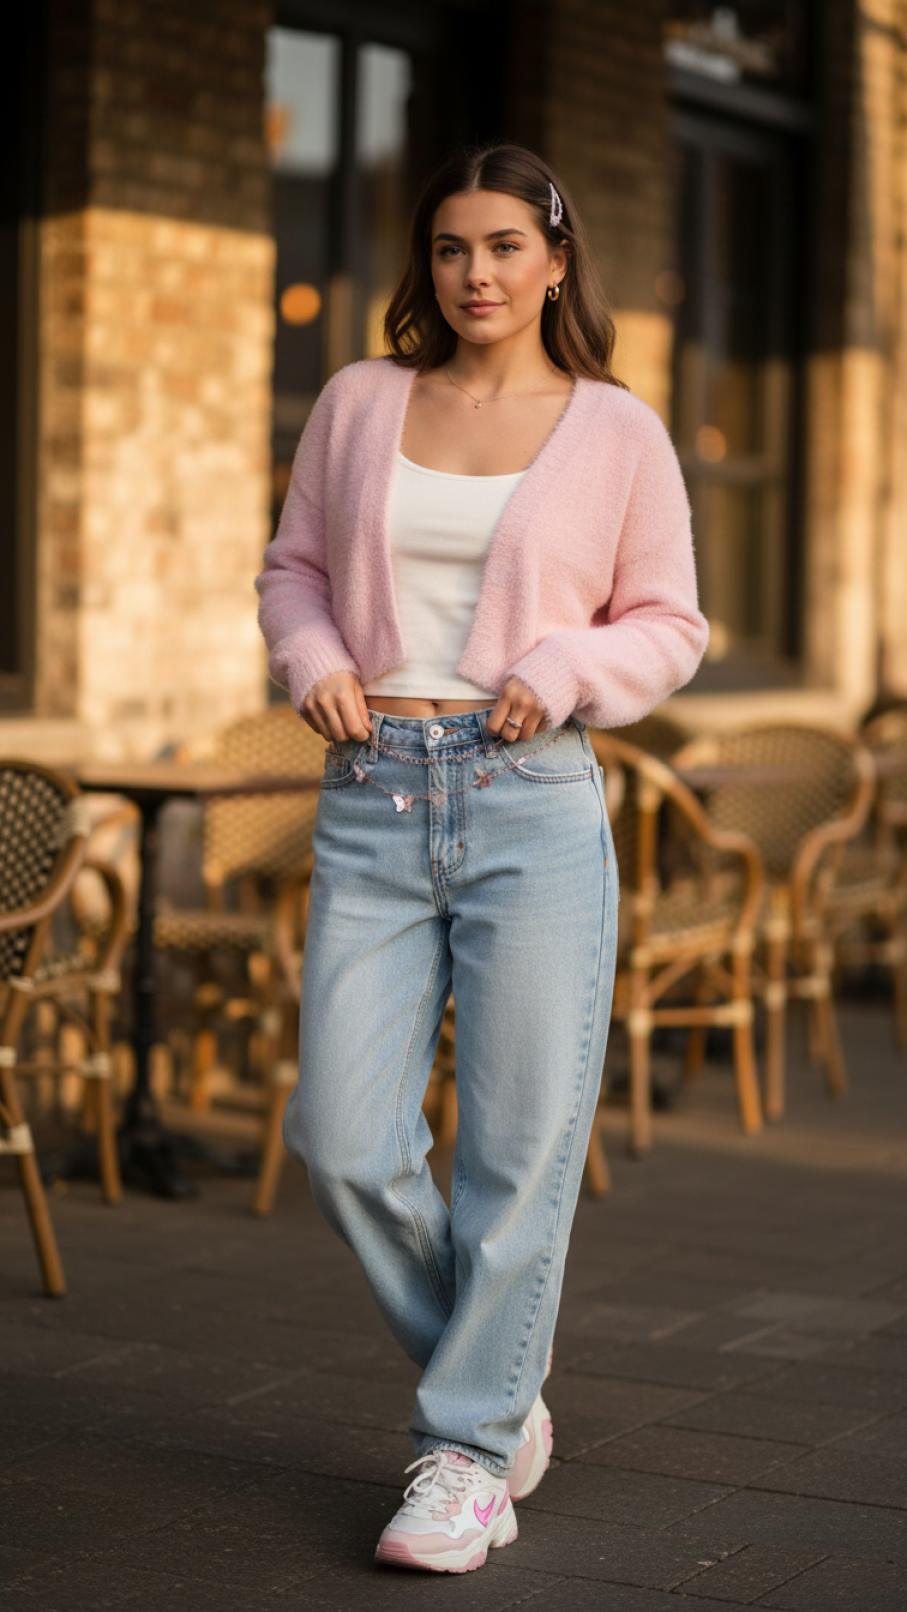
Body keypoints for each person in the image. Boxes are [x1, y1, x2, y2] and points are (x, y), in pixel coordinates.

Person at [256, 142, 707, 1574]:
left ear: (556, 260)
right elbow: (295, 572)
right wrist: (314, 655)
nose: (476, 274)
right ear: (426, 263)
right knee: (340, 1138)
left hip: (531, 802)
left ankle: (461, 1454)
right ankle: (499, 1382)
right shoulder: (358, 401)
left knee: (516, 1156)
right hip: (373, 792)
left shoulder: (617, 430)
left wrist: (571, 663)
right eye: (452, 248)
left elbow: (670, 624)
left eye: (506, 246)